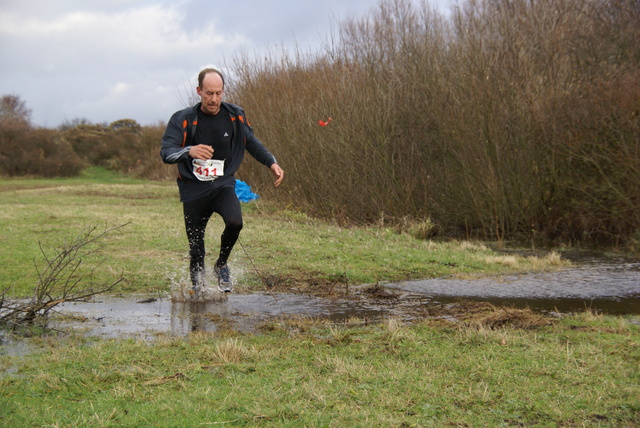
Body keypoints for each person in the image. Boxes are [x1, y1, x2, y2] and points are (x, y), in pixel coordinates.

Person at [160, 68, 284, 293]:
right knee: (196, 248)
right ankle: (198, 293)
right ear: (199, 91)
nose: (214, 99)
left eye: (218, 93)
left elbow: (251, 142)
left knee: (235, 222)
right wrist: (190, 150)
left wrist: (271, 162)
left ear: (223, 92)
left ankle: (221, 265)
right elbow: (166, 153)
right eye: (209, 93)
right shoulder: (183, 119)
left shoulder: (235, 115)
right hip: (193, 189)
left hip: (222, 184)